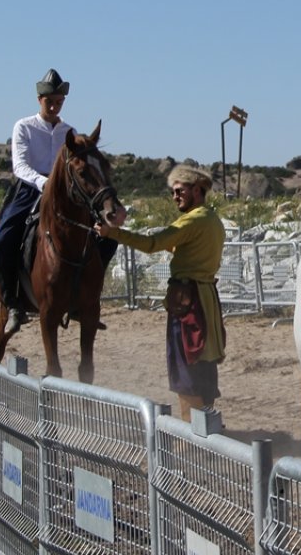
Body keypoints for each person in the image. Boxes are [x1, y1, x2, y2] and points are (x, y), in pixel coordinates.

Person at [0, 68, 118, 334]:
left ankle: (86, 299)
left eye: (59, 102)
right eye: (50, 101)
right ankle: (13, 303)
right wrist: (42, 182)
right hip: (30, 190)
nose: (55, 106)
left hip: (66, 193)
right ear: (39, 99)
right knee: (2, 240)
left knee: (107, 237)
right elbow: (19, 165)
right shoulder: (23, 126)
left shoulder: (69, 131)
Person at [94, 166, 226, 421]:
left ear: (197, 190)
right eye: (173, 192)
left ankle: (192, 430)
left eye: (180, 191)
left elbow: (153, 244)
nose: (175, 196)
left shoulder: (193, 220)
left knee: (185, 363)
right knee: (202, 363)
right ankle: (208, 424)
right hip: (205, 297)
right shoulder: (212, 219)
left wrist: (114, 233)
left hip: (188, 301)